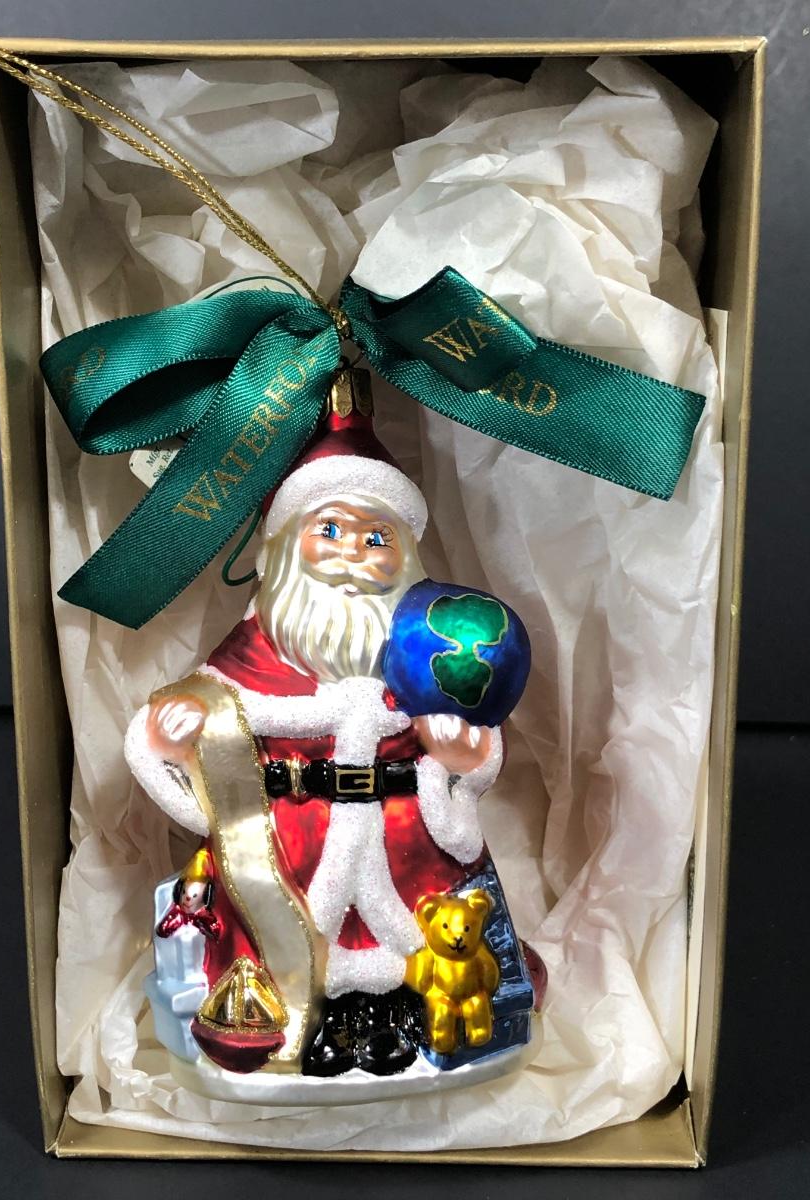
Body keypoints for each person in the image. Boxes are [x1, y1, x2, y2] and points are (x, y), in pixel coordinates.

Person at [126, 374, 540, 1078]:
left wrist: (462, 756)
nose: (352, 551)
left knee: (427, 935)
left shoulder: (420, 643)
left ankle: (406, 1013)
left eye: (377, 537)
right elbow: (206, 701)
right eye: (329, 530)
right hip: (289, 838)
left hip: (403, 833)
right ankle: (305, 1015)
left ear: (405, 554)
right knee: (280, 936)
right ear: (289, 544)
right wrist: (170, 737)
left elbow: (463, 720)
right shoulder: (255, 648)